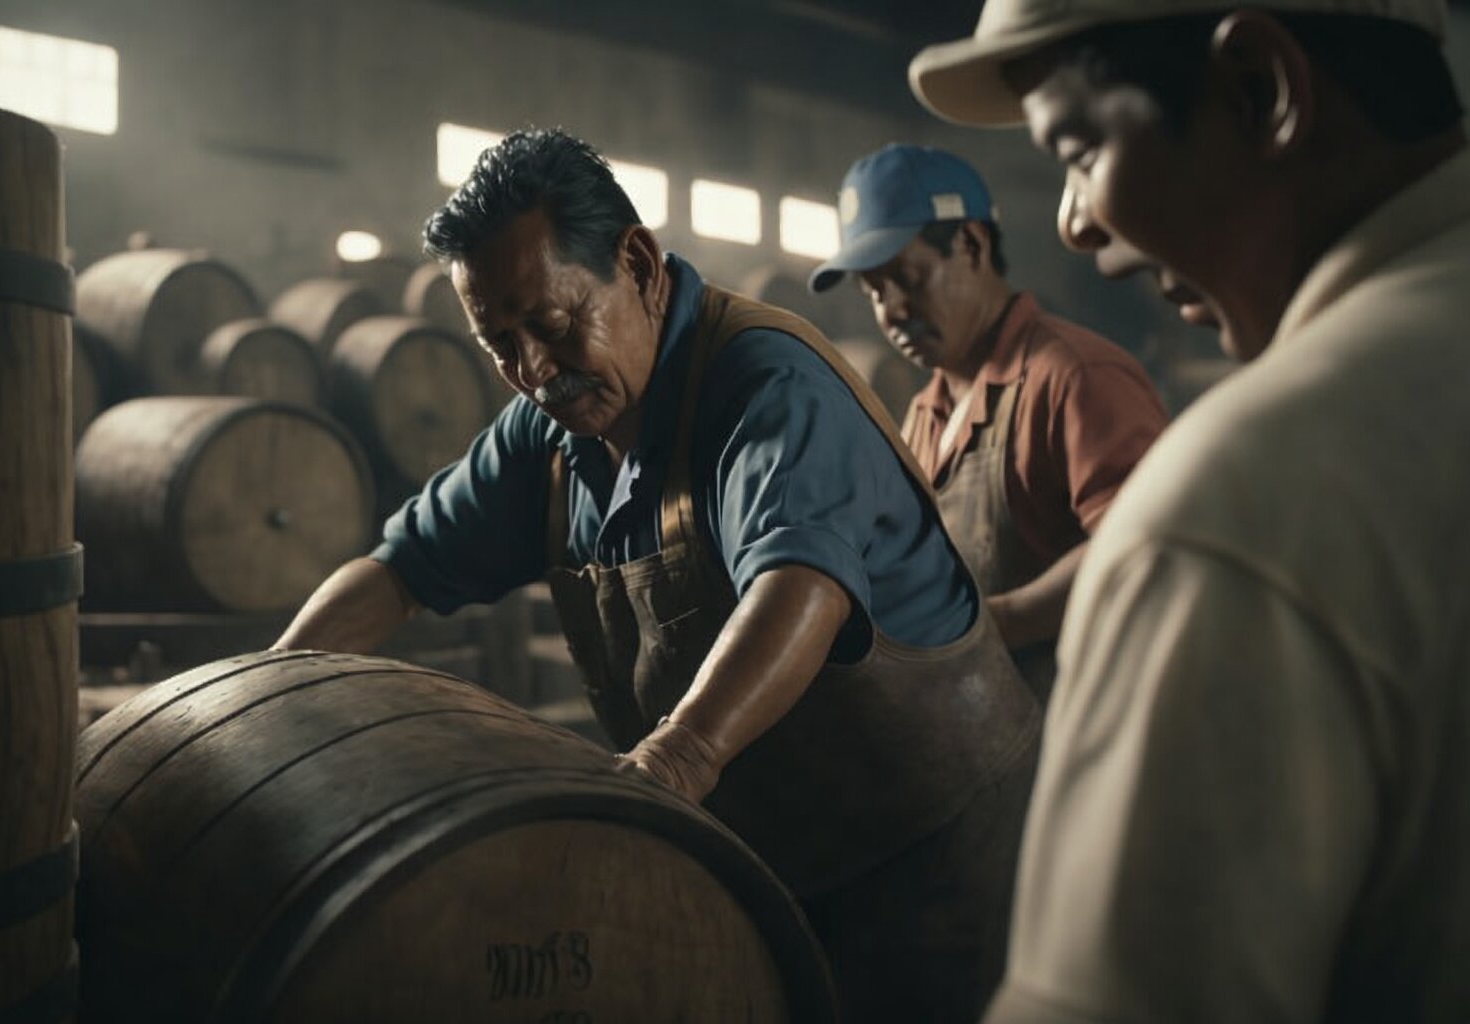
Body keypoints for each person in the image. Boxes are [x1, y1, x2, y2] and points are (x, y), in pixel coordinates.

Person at [274, 127, 1040, 1022]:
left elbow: (800, 583)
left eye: (556, 325)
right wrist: (271, 685)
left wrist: (672, 763)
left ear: (637, 263)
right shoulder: (552, 436)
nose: (534, 371)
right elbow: (400, 569)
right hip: (782, 872)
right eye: (501, 345)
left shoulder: (766, 386)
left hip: (949, 866)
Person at [907, 1, 1470, 1021]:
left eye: (1080, 149)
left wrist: (998, 620)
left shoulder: (1249, 496)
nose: (1075, 223)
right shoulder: (926, 408)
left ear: (1262, 90)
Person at [809, 145, 1167, 700]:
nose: (891, 309)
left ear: (971, 246)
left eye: (908, 276)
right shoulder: (925, 413)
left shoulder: (1073, 376)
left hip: (1085, 716)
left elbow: (1143, 542)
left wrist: (987, 631)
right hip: (991, 734)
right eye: (874, 291)